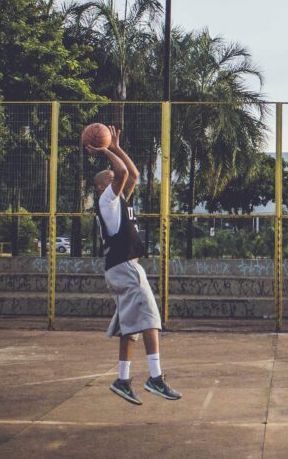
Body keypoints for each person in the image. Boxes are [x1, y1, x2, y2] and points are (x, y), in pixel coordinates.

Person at [88, 126, 181, 405]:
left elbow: (133, 174)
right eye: (110, 176)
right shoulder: (106, 200)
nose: (115, 174)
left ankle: (122, 380)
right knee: (150, 319)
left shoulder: (119, 200)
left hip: (120, 268)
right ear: (103, 186)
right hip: (125, 268)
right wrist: (105, 150)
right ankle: (155, 378)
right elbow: (124, 174)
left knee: (131, 328)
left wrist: (115, 147)